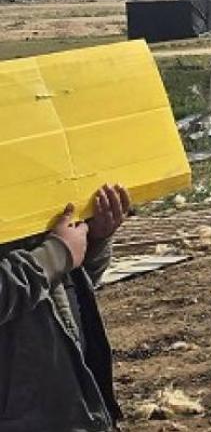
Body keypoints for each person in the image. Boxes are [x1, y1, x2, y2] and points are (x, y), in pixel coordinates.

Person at [0, 184, 131, 431]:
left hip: (72, 405)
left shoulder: (27, 186)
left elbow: (70, 290)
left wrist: (93, 241)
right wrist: (56, 254)